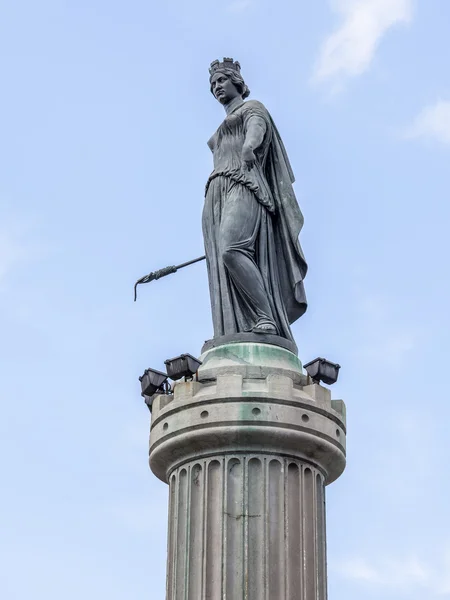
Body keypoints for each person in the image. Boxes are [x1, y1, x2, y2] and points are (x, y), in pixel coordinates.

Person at [202, 58, 307, 343]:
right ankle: (234, 328)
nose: (216, 88)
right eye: (213, 84)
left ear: (237, 82)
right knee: (221, 264)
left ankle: (265, 317)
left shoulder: (252, 108)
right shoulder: (222, 124)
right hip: (216, 193)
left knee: (231, 249)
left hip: (245, 183)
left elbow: (256, 128)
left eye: (221, 80)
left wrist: (250, 145)